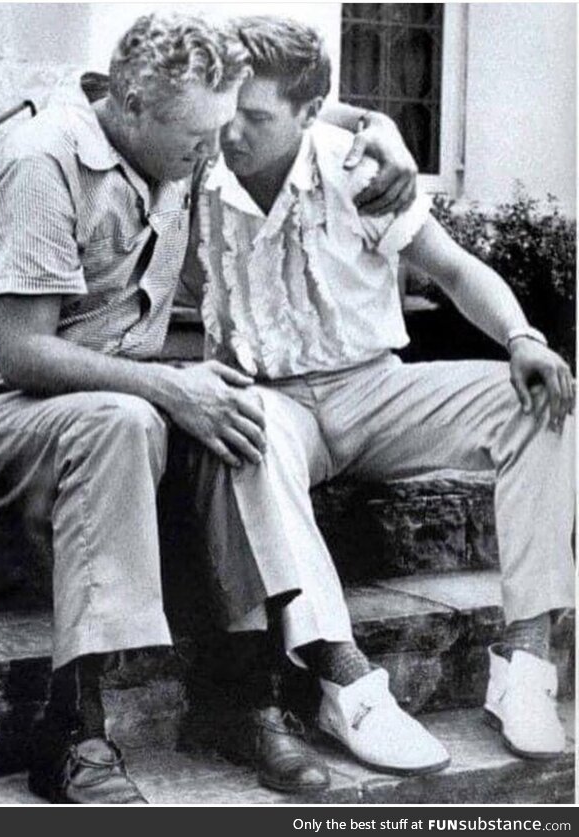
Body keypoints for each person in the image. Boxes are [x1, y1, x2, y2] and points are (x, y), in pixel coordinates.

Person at [0, 13, 419, 803]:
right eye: (199, 136)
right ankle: (75, 730)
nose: (215, 151)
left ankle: (242, 701)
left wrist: (379, 127)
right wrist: (168, 385)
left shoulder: (175, 137)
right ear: (129, 106)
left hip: (110, 401)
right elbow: (24, 352)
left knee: (235, 411)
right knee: (129, 418)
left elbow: (286, 101)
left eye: (223, 128)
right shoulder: (41, 162)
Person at [179, 16, 575, 783]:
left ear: (307, 110)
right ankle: (347, 681)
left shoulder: (360, 171)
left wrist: (524, 336)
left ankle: (527, 660)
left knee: (539, 400)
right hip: (276, 402)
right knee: (245, 425)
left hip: (375, 391)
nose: (233, 134)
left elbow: (457, 273)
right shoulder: (201, 167)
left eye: (256, 118)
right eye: (228, 112)